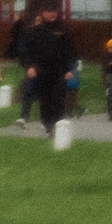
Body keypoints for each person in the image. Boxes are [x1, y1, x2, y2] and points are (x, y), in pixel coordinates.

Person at [19, 8, 77, 136]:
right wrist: (30, 67)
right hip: (42, 71)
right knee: (45, 99)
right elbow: (27, 52)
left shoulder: (63, 30)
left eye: (54, 11)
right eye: (49, 11)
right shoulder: (35, 31)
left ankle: (57, 125)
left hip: (60, 71)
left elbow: (70, 51)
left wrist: (70, 69)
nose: (53, 14)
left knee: (58, 98)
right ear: (43, 13)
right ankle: (48, 124)